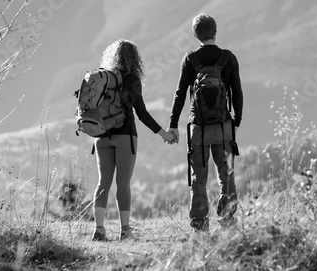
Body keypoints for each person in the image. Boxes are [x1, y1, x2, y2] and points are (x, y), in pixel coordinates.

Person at [91, 39, 176, 242]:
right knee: (123, 184)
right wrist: (163, 134)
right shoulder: (131, 79)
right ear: (134, 58)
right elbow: (142, 113)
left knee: (103, 183)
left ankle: (99, 230)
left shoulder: (102, 78)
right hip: (125, 136)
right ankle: (125, 231)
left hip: (101, 137)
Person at [168, 13, 243, 231]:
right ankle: (227, 218)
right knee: (226, 174)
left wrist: (173, 124)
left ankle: (200, 225)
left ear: (195, 34)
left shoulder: (190, 59)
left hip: (198, 129)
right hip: (223, 126)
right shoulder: (228, 58)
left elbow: (180, 94)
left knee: (198, 178)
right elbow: (237, 93)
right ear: (215, 31)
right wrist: (236, 121)